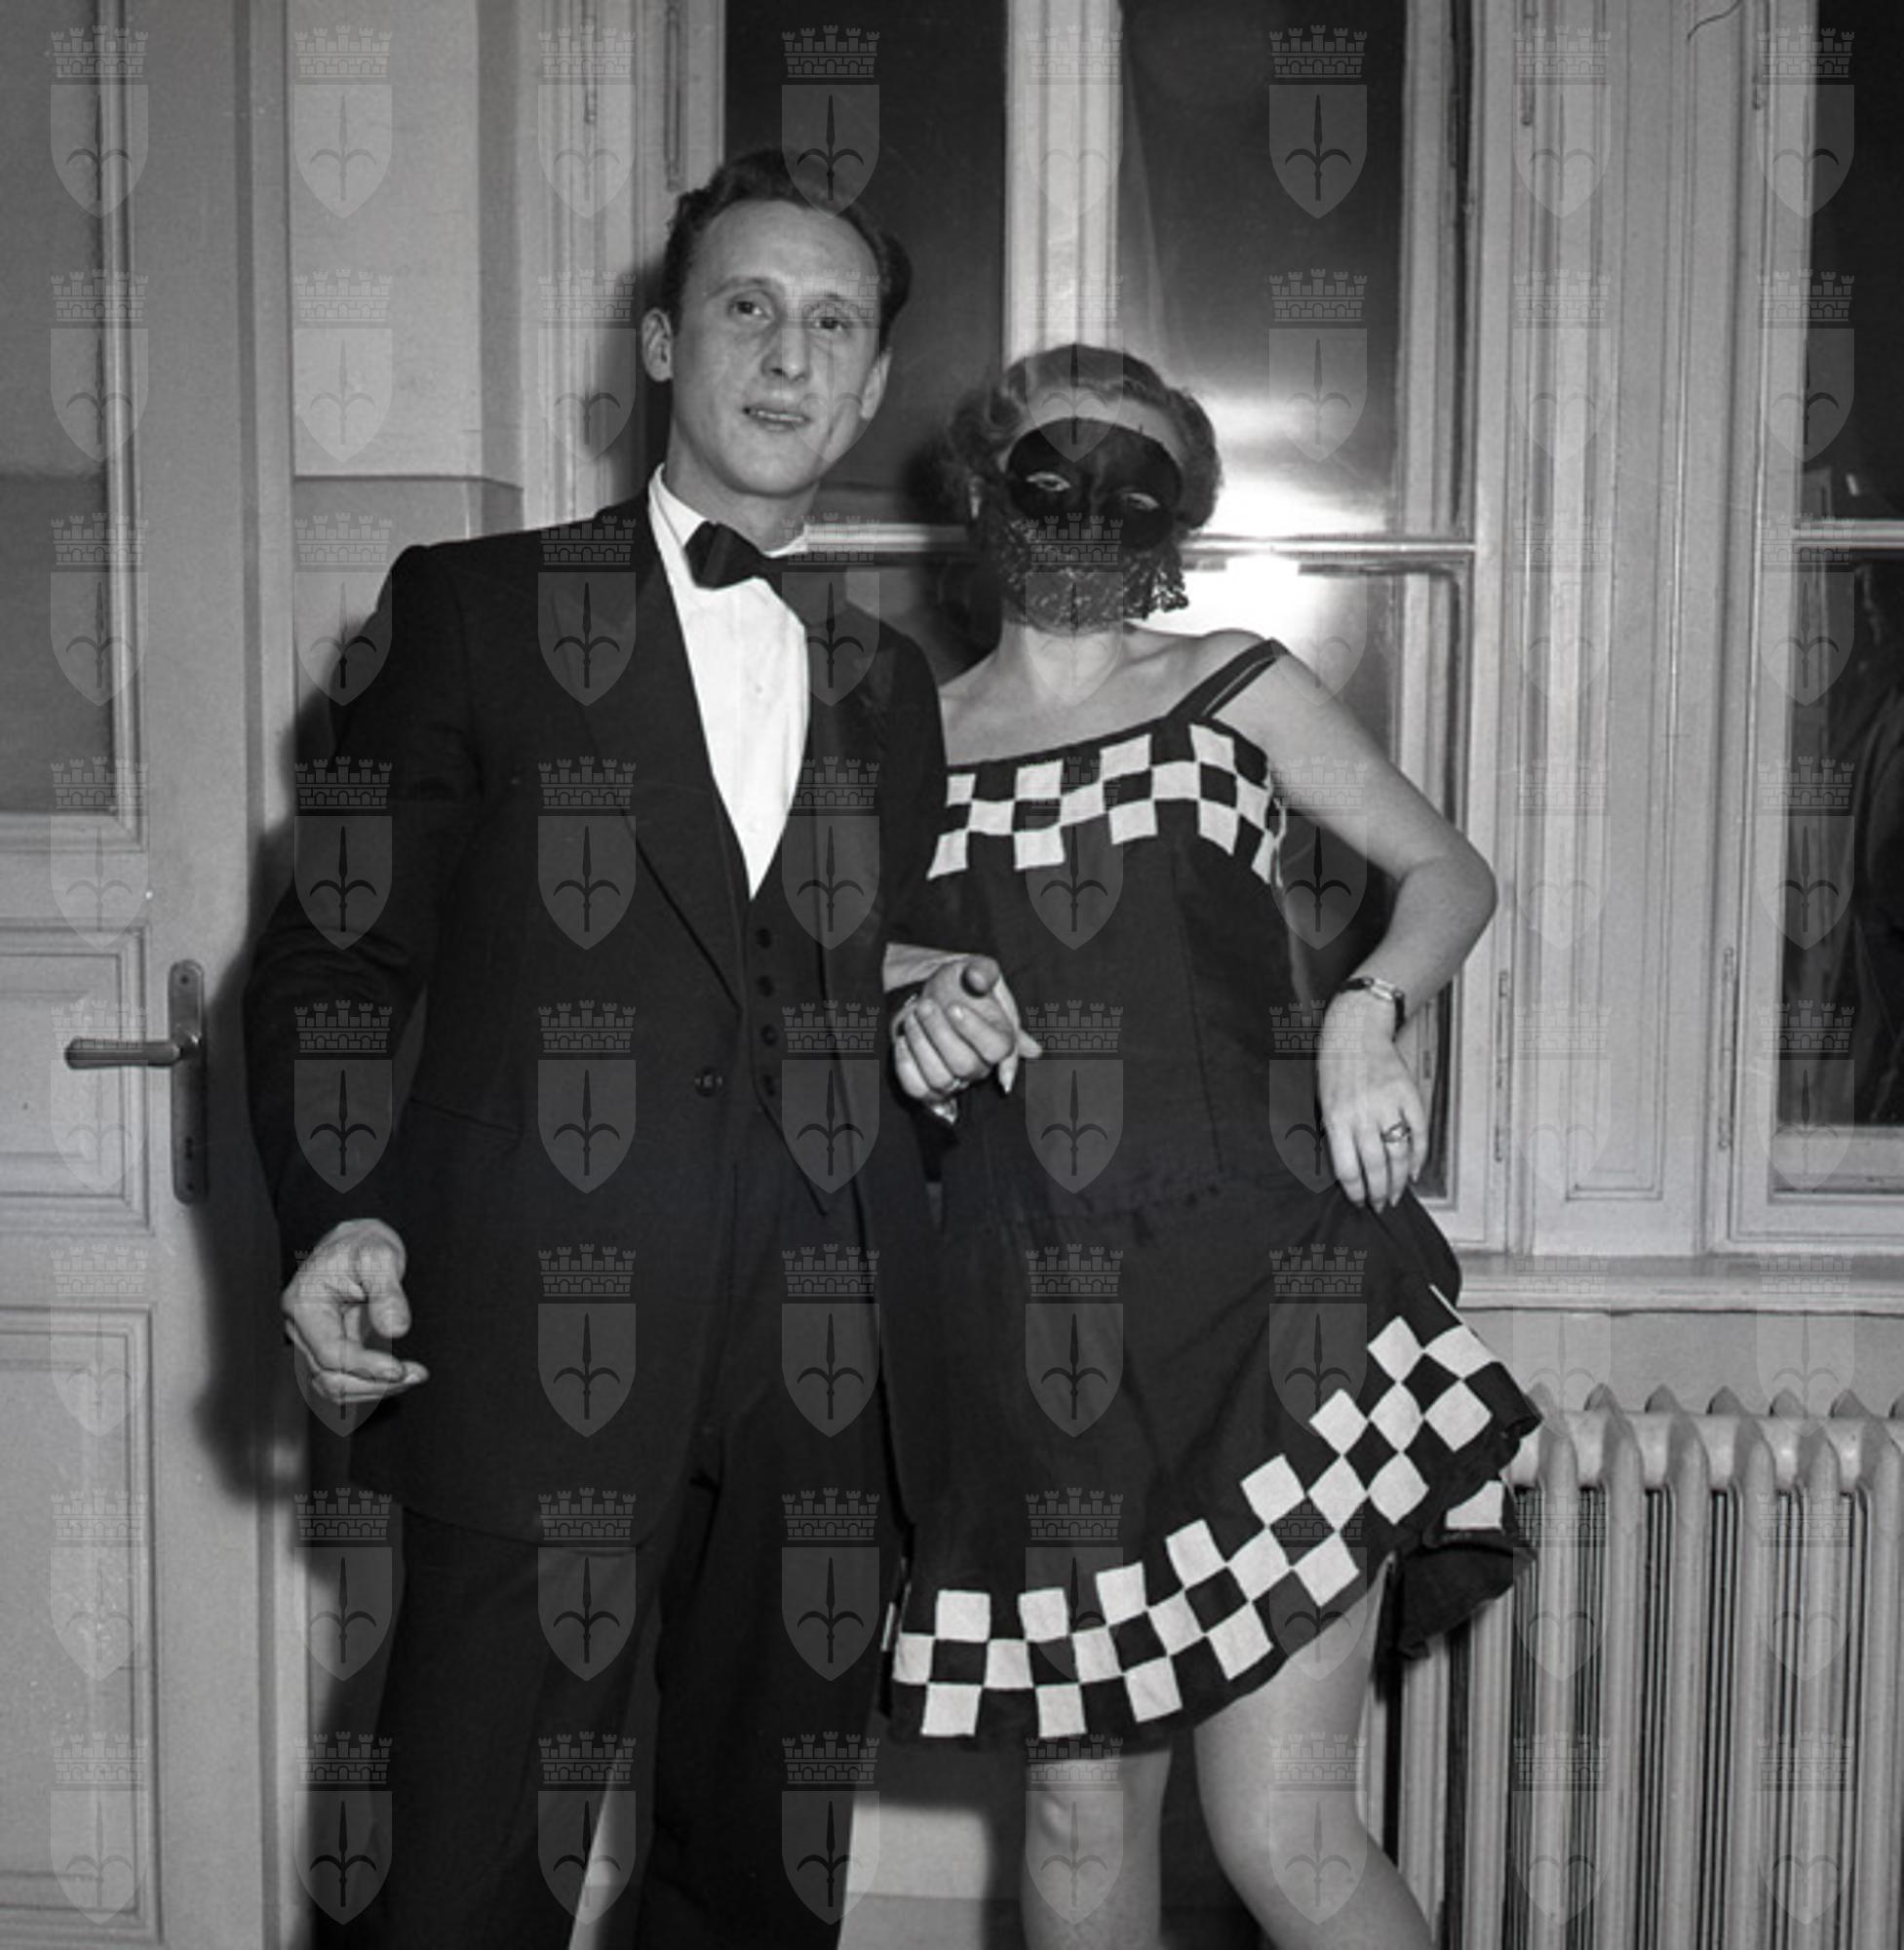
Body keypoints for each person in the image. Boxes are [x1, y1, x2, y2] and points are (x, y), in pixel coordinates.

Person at [244, 150, 1021, 1948]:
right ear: (665, 343)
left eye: (834, 324)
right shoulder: (467, 608)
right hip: (538, 1337)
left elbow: (794, 982)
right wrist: (335, 1212)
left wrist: (914, 1022)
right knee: (450, 1886)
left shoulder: (890, 689)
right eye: (747, 307)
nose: (788, 355)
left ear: (871, 385)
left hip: (824, 1367)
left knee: (759, 1884)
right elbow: (336, 957)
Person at [882, 343, 1541, 1949]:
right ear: (981, 489)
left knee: (1282, 1838)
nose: (1087, 505)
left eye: (1136, 477)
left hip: (1264, 1300)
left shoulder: (1230, 681)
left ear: (1179, 515)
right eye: (1053, 465)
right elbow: (800, 964)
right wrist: (906, 986)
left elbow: (1446, 871)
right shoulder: (895, 734)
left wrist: (1368, 1009)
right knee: (1073, 1813)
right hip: (1026, 1322)